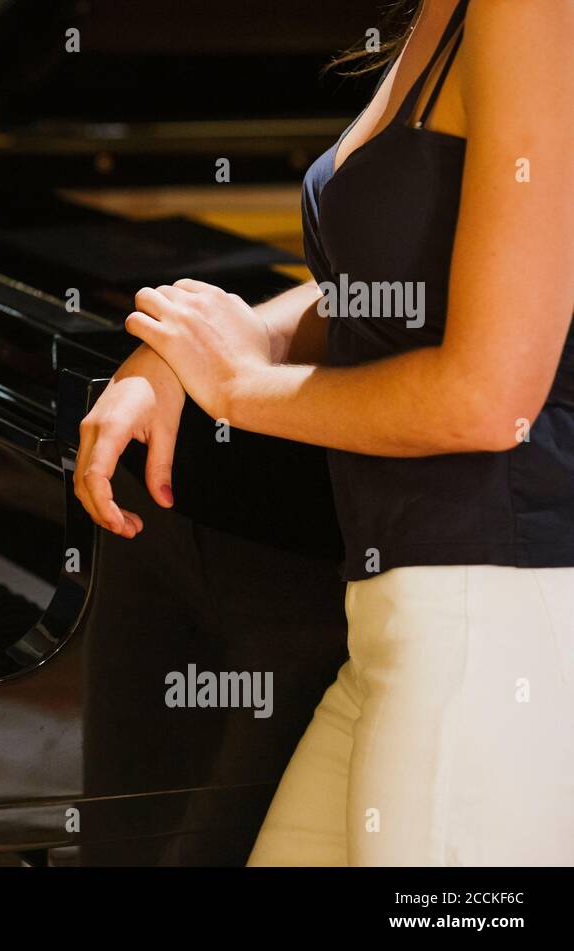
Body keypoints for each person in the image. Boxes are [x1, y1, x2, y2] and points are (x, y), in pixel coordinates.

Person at [76, 0, 573, 865]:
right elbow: (396, 282)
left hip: (493, 628)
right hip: (406, 628)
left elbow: (489, 400)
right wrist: (195, 350)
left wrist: (240, 386)